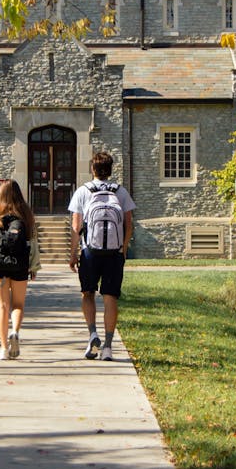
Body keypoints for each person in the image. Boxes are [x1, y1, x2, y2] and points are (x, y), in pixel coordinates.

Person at [68, 151, 136, 361]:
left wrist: (73, 254)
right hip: (114, 253)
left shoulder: (83, 191)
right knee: (110, 297)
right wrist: (123, 248)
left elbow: (76, 226)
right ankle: (107, 346)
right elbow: (129, 224)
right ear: (110, 170)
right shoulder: (120, 191)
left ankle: (92, 334)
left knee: (87, 293)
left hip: (90, 251)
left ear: (93, 170)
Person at [0, 180, 41, 360]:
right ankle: (15, 332)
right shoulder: (26, 216)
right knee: (18, 305)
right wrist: (34, 266)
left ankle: (3, 348)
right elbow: (33, 243)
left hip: (0, 267)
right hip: (20, 265)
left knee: (2, 306)